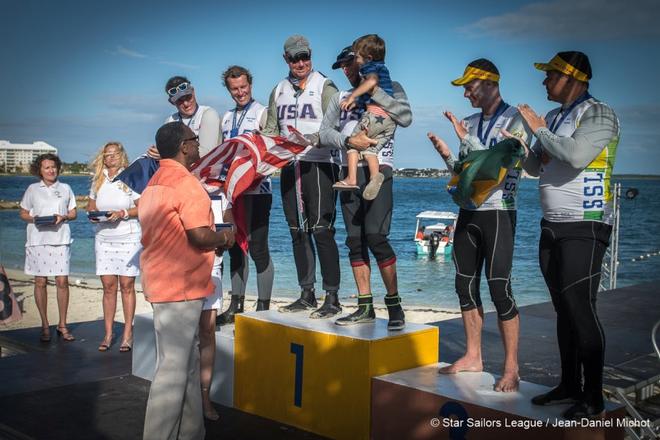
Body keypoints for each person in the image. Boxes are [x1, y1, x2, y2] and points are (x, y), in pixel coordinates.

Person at [518, 51, 620, 419]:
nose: (544, 82)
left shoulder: (598, 112)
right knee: (563, 310)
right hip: (552, 224)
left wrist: (541, 133)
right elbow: (532, 164)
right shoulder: (554, 117)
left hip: (587, 222)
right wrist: (528, 139)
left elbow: (575, 156)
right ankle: (568, 385)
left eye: (550, 76)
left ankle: (592, 397)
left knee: (581, 307)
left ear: (572, 78)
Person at [428, 58, 531, 392]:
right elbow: (465, 174)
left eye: (470, 86)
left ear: (490, 84)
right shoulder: (470, 122)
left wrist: (468, 146)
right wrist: (448, 155)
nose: (466, 93)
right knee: (464, 284)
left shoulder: (515, 119)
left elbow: (492, 167)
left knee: (499, 287)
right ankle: (474, 356)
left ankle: (511, 367)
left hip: (499, 211)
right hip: (470, 212)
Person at [140, 122, 234, 439]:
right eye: (195, 140)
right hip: (180, 287)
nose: (198, 146)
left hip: (161, 281)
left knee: (188, 364)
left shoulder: (154, 182)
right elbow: (198, 235)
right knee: (172, 371)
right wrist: (225, 237)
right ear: (184, 146)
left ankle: (192, 432)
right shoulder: (186, 184)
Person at [319, 44, 411, 329]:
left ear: (363, 61)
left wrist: (374, 93)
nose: (347, 70)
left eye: (350, 64)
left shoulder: (390, 86)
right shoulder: (339, 97)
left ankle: (395, 305)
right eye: (342, 67)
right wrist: (348, 142)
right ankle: (365, 307)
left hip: (379, 171)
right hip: (349, 174)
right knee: (355, 241)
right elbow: (324, 132)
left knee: (376, 237)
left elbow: (406, 119)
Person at [154, 76, 224, 419]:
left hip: (206, 206)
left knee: (206, 327)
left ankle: (201, 405)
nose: (184, 102)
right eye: (178, 99)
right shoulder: (170, 130)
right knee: (175, 360)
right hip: (177, 276)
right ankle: (176, 422)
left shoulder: (209, 116)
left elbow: (207, 161)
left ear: (194, 92)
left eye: (188, 95)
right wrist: (226, 238)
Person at [261, 35, 342, 318]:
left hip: (319, 164)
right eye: (295, 58)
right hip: (289, 166)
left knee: (322, 229)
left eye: (304, 57)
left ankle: (332, 296)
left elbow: (339, 128)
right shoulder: (278, 90)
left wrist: (315, 140)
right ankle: (306, 293)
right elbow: (271, 129)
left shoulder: (326, 86)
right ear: (286, 59)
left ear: (311, 55)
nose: (301, 63)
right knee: (297, 231)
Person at [216, 65, 274, 325]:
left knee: (259, 248)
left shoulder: (262, 113)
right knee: (235, 249)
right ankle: (236, 304)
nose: (240, 92)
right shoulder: (226, 117)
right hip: (232, 192)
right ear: (229, 90)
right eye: (234, 89)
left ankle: (263, 308)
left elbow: (271, 150)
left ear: (250, 85)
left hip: (258, 190)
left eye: (243, 87)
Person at [88, 142, 140, 352]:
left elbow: (142, 206)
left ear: (122, 155)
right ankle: (108, 334)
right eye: (107, 155)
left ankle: (127, 333)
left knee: (127, 286)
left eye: (114, 154)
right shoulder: (98, 180)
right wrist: (92, 214)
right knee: (108, 287)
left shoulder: (131, 177)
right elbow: (91, 204)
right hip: (103, 238)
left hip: (128, 237)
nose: (111, 158)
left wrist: (122, 213)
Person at [19, 153, 77, 342]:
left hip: (60, 239)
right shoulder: (32, 189)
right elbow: (23, 213)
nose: (51, 170)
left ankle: (62, 325)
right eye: (46, 167)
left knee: (62, 282)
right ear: (40, 170)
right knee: (40, 282)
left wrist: (64, 217)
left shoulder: (66, 187)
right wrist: (34, 218)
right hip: (38, 240)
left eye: (53, 167)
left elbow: (73, 212)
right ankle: (45, 325)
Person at [334, 34, 396, 201]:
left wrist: (352, 97)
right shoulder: (384, 70)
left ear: (368, 58)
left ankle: (351, 178)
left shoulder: (369, 68)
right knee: (370, 150)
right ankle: (375, 176)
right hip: (386, 120)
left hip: (374, 115)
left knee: (353, 143)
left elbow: (371, 83)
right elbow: (372, 95)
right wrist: (358, 102)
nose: (356, 62)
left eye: (356, 58)